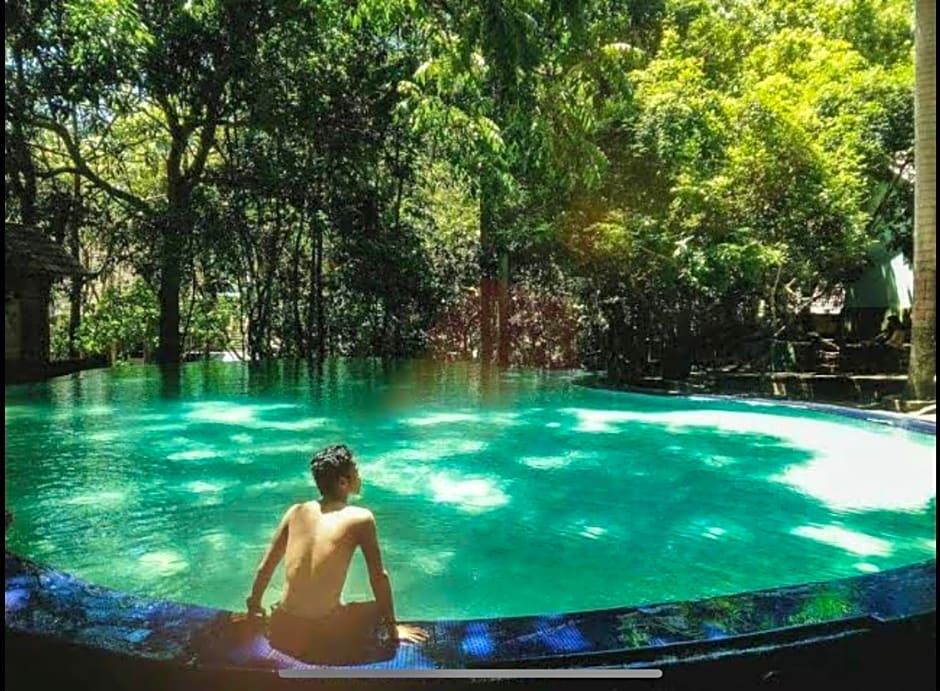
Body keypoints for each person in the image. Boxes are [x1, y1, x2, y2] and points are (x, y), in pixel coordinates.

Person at [246, 444, 426, 663]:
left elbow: (265, 568)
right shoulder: (361, 518)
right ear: (343, 482)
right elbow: (379, 577)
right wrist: (392, 627)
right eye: (356, 472)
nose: (360, 476)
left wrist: (254, 607)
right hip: (321, 631)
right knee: (374, 609)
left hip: (282, 627)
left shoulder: (296, 511)